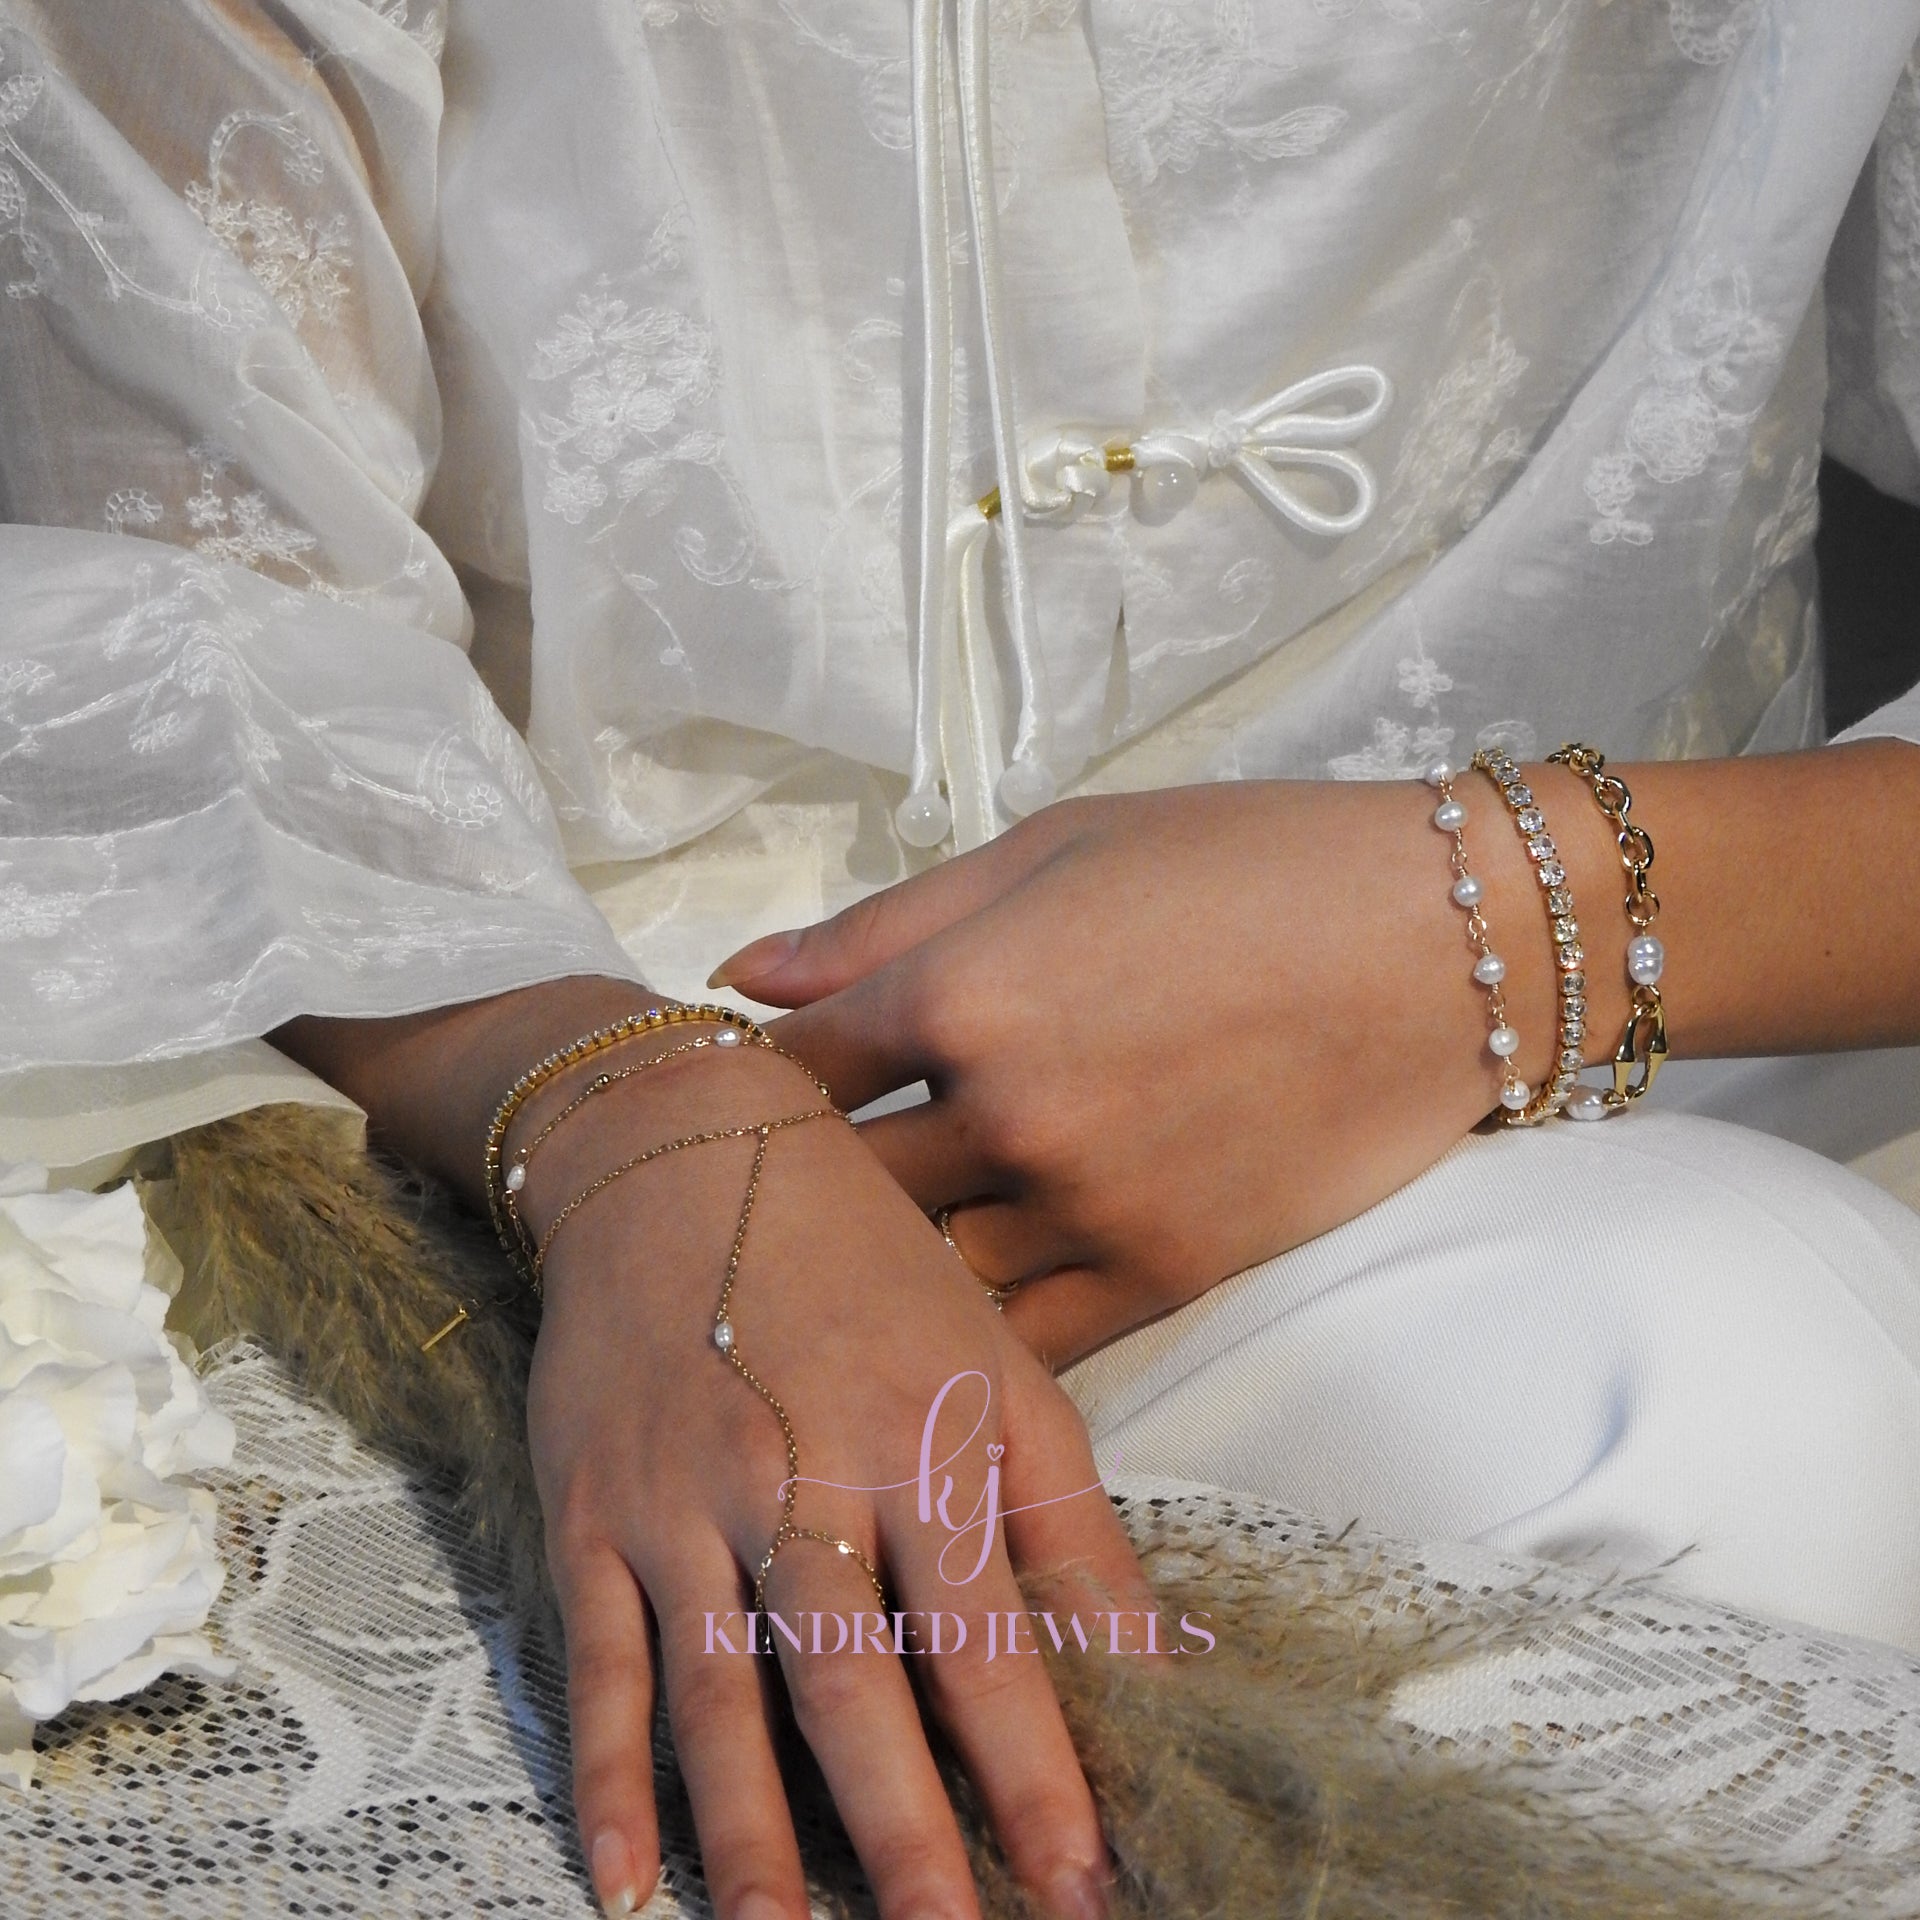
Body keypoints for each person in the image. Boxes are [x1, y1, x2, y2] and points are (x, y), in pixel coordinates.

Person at [2, 5, 1919, 1918]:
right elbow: (198, 619)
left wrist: (1505, 917)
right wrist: (628, 1118)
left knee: (1739, 1385)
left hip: (1663, 1035)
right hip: (528, 1121)